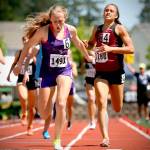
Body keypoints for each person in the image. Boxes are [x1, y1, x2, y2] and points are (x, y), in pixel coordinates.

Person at [13, 5, 93, 150]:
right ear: (50, 19)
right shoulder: (42, 32)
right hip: (47, 73)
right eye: (55, 21)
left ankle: (57, 139)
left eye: (60, 21)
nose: (58, 24)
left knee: (61, 103)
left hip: (64, 70)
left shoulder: (71, 30)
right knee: (44, 113)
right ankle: (46, 106)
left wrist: (87, 56)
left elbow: (79, 43)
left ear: (65, 19)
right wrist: (20, 64)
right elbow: (27, 47)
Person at [86, 3, 134, 147]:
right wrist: (85, 44)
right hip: (101, 72)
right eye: (106, 10)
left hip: (117, 72)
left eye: (111, 11)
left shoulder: (119, 29)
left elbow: (131, 49)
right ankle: (105, 138)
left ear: (116, 15)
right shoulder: (97, 28)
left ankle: (114, 97)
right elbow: (90, 45)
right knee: (100, 101)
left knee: (117, 107)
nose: (107, 12)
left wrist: (110, 49)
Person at [7, 37, 39, 135]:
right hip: (21, 79)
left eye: (27, 41)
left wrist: (33, 57)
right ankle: (24, 113)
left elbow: (38, 65)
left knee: (32, 107)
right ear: (22, 42)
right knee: (23, 97)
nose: (25, 42)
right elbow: (14, 63)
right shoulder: (19, 52)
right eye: (24, 41)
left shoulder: (34, 51)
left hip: (32, 80)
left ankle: (30, 127)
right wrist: (9, 74)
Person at [80, 50, 97, 129]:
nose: (89, 57)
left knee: (99, 101)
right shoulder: (85, 61)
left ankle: (100, 116)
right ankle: (92, 120)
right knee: (91, 99)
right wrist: (84, 62)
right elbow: (82, 71)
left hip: (99, 80)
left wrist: (94, 61)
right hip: (89, 81)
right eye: (88, 56)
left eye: (91, 55)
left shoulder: (98, 59)